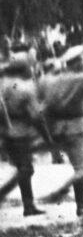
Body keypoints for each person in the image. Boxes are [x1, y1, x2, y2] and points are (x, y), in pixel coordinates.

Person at [39, 45, 83, 216]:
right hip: (75, 126)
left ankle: (82, 206)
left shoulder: (51, 80)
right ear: (78, 63)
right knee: (80, 169)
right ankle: (62, 192)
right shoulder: (80, 79)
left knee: (77, 167)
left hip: (56, 127)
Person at [0, 48, 51, 216]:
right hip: (20, 132)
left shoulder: (3, 83)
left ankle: (28, 205)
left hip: (5, 131)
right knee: (26, 169)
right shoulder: (24, 88)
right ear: (24, 68)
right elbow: (36, 116)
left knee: (23, 168)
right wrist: (47, 137)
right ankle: (23, 202)